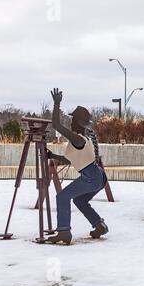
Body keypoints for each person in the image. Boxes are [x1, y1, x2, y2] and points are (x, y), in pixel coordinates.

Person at [46, 88, 109, 245]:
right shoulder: (84, 139)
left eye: (73, 120)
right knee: (79, 201)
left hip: (90, 176)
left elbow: (55, 124)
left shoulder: (77, 138)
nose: (71, 122)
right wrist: (53, 156)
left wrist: (56, 104)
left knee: (62, 197)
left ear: (77, 123)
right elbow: (73, 160)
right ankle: (99, 225)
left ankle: (64, 232)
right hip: (99, 176)